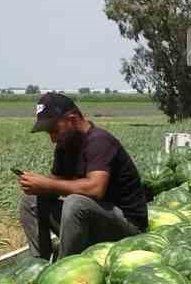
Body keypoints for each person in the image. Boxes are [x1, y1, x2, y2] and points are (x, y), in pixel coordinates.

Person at [16, 91, 148, 258]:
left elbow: (95, 189)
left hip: (128, 228)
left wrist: (47, 184)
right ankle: (38, 263)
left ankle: (64, 268)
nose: (52, 138)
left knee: (75, 203)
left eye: (54, 130)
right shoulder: (65, 145)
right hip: (94, 224)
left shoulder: (99, 141)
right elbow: (57, 182)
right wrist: (37, 185)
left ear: (72, 119)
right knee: (31, 201)